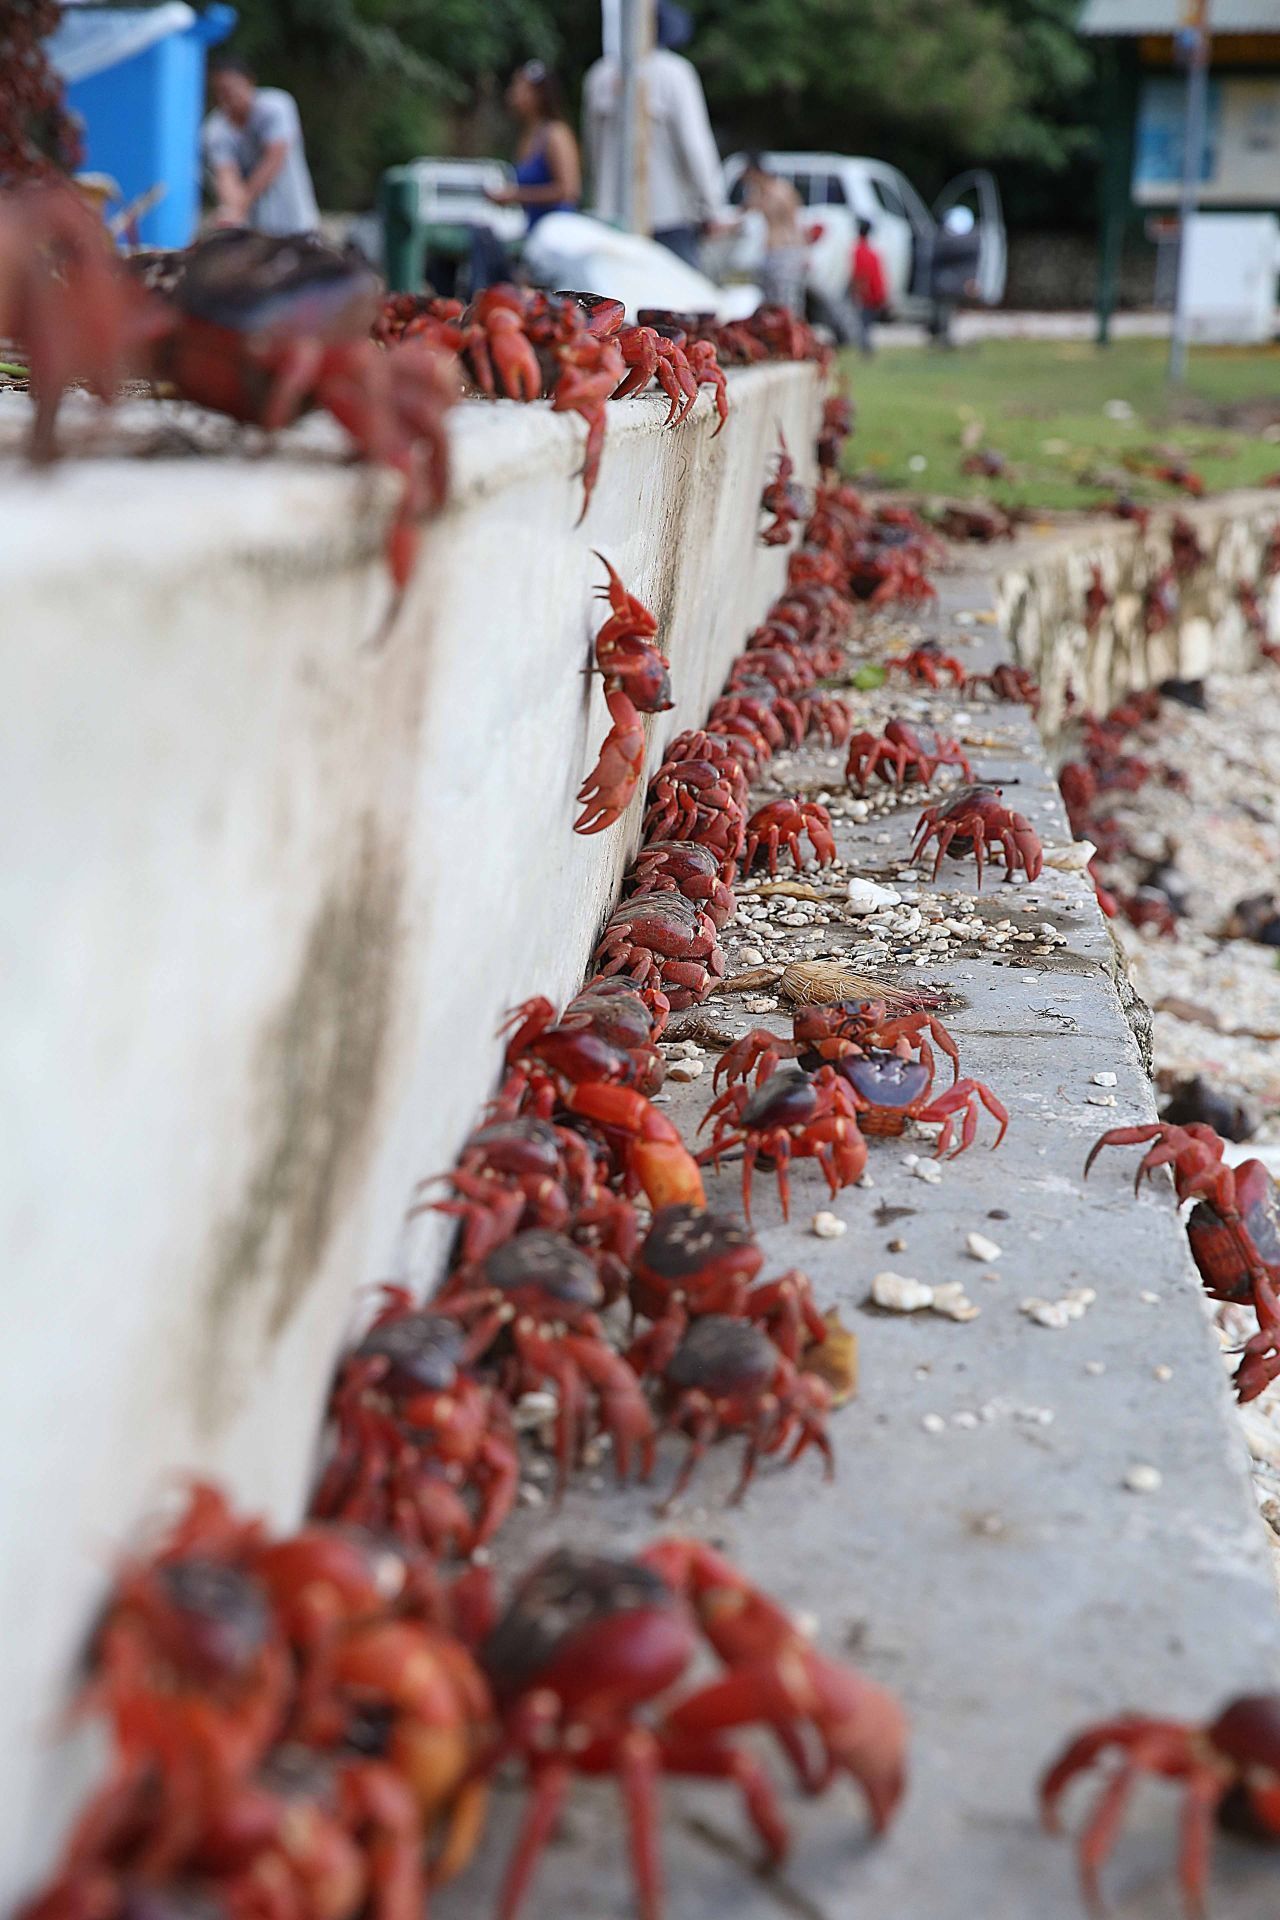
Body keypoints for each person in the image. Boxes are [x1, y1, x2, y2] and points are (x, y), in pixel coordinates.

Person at [583, 2, 724, 269]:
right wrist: (712, 207)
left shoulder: (599, 74)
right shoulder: (675, 72)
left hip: (609, 216)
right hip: (668, 218)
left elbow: (591, 149)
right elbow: (695, 147)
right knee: (678, 303)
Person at [202, 56, 319, 236]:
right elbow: (226, 174)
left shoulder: (277, 106)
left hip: (296, 220)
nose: (227, 96)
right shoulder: (215, 129)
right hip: (254, 231)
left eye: (231, 88)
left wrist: (241, 203)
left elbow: (274, 158)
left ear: (249, 82)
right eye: (220, 91)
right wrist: (231, 209)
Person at [485, 62, 581, 231]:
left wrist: (516, 195)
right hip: (533, 230)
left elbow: (568, 191)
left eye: (518, 88)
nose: (512, 94)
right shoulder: (526, 135)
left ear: (538, 94)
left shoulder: (555, 135)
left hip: (557, 233)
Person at [740, 153, 806, 315]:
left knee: (787, 303)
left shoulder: (781, 190)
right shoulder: (758, 193)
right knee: (770, 302)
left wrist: (804, 253)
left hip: (787, 250)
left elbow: (796, 222)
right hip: (770, 252)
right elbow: (742, 213)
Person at [850, 218, 888, 357]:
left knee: (863, 323)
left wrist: (858, 292)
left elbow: (860, 275)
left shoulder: (859, 250)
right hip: (872, 293)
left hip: (866, 294)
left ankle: (866, 349)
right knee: (866, 323)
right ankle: (866, 348)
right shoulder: (872, 252)